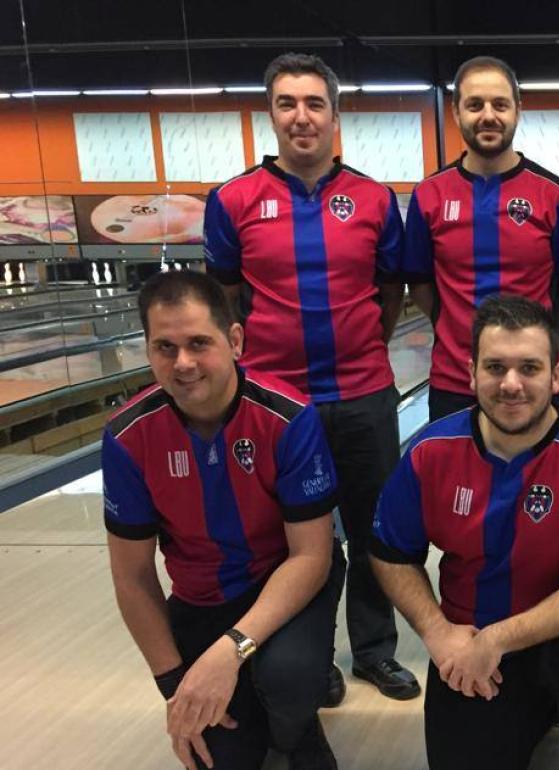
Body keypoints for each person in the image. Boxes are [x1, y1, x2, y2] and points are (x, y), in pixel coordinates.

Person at [203, 52, 420, 701]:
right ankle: (309, 656)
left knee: (373, 528)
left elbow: (391, 292)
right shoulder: (233, 200)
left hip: (364, 395)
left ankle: (374, 652)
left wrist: (363, 349)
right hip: (276, 406)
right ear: (270, 113)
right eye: (287, 103)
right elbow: (227, 297)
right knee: (292, 539)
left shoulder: (375, 198)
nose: (302, 116)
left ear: (333, 113)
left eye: (314, 103)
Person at [370, 294, 559, 770]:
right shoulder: (430, 452)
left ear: (557, 376)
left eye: (529, 368)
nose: (511, 384)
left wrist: (496, 640)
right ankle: (533, 712)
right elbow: (390, 552)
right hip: (473, 635)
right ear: (471, 372)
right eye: (495, 367)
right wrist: (439, 634)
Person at [103, 271, 342, 770]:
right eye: (164, 347)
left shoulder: (288, 418)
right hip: (201, 597)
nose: (183, 363)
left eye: (198, 343)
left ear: (234, 341)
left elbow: (312, 556)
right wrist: (176, 689)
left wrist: (230, 650)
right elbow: (132, 577)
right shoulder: (128, 437)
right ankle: (265, 709)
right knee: (221, 754)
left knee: (289, 678)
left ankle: (297, 729)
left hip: (286, 584)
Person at [406, 56, 559, 420]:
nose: (488, 115)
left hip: (535, 384)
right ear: (456, 112)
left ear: (518, 110)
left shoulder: (555, 196)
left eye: (500, 104)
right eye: (475, 105)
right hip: (454, 383)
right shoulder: (428, 195)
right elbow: (422, 286)